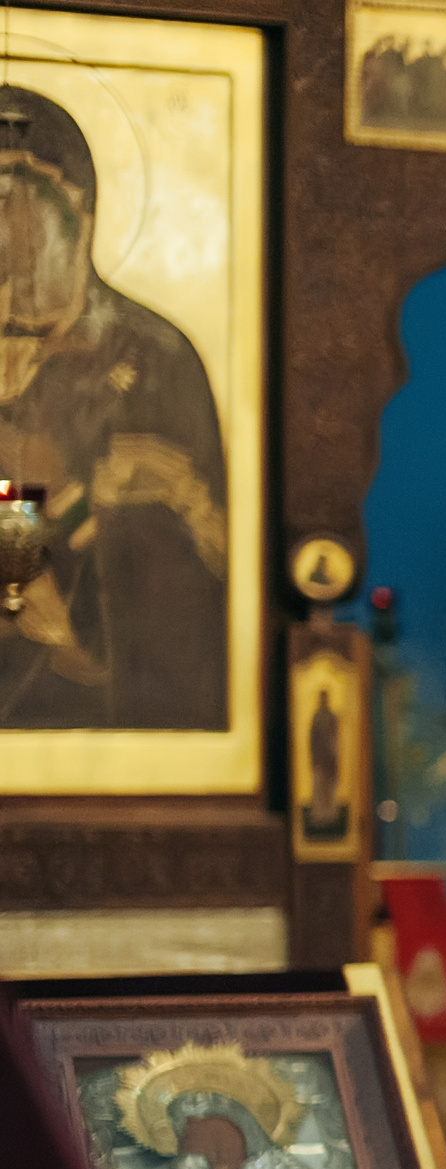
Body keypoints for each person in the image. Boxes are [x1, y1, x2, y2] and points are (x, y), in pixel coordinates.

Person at [0, 86, 230, 730]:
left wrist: (72, 508)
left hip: (106, 709)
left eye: (23, 211)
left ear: (79, 217)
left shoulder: (152, 358)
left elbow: (197, 571)